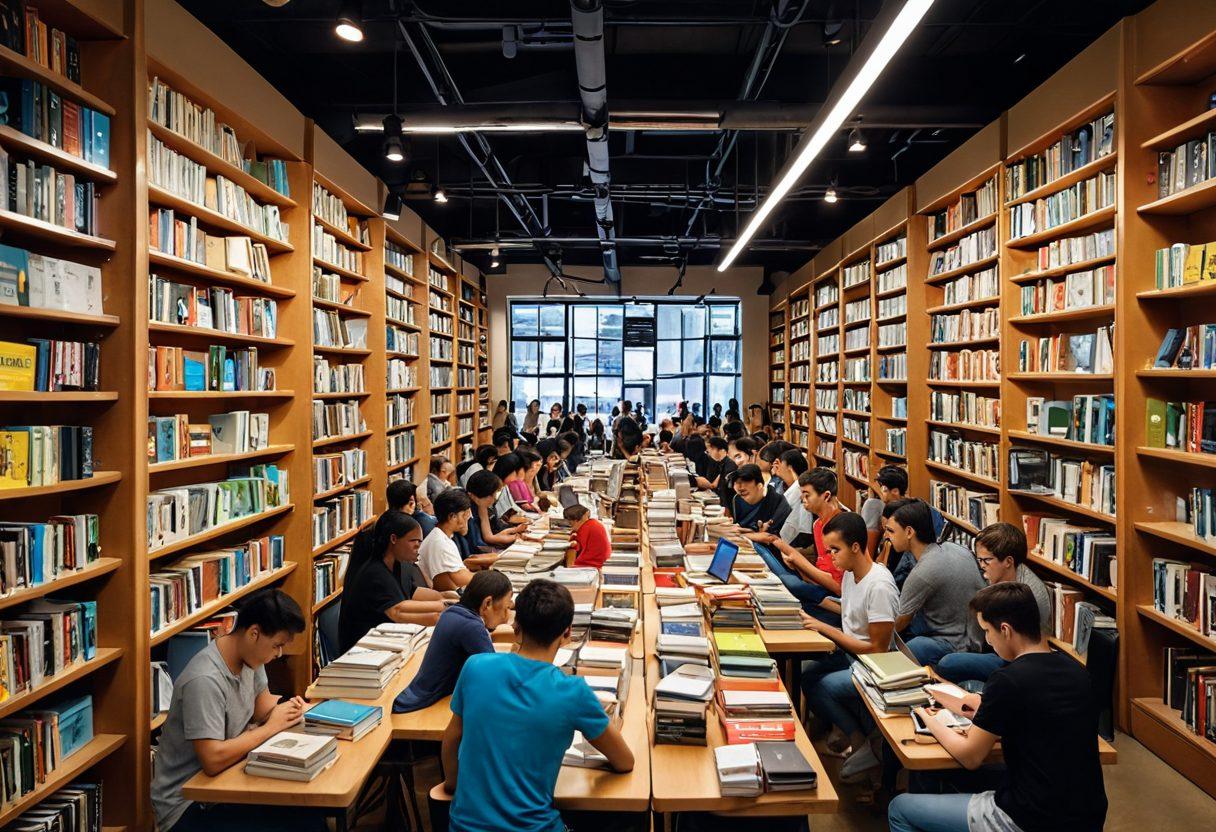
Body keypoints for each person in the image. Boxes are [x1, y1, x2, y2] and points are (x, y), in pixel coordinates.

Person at [888, 583, 1107, 832]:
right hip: (1086, 815)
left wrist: (928, 719)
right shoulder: (1077, 671)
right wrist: (974, 703)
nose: (987, 640)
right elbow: (1040, 712)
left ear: (1005, 630)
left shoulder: (1008, 679)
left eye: (986, 631)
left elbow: (971, 757)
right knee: (935, 775)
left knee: (900, 809)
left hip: (1030, 817)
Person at [441, 579, 634, 831]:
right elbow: (624, 761)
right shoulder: (573, 692)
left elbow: (452, 739)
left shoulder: (475, 667)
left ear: (515, 625)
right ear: (567, 633)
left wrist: (454, 786)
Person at [152, 589, 315, 832]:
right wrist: (272, 727)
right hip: (189, 806)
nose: (278, 654)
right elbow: (213, 759)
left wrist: (294, 709)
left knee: (308, 816)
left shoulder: (251, 657)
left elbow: (262, 709)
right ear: (254, 633)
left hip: (226, 785)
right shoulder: (204, 680)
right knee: (299, 824)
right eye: (277, 645)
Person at [798, 512, 899, 778]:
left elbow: (878, 649)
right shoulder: (849, 573)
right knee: (807, 675)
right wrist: (807, 609)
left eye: (835, 549)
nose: (831, 556)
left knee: (824, 686)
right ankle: (856, 736)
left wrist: (823, 628)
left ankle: (865, 743)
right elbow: (849, 609)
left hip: (872, 663)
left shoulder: (879, 586)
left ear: (856, 547)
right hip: (850, 653)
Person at [935, 522, 1051, 685]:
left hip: (1012, 658)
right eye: (979, 560)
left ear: (1008, 561)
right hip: (989, 643)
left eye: (986, 560)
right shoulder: (998, 574)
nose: (981, 566)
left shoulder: (1030, 595)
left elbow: (1020, 650)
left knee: (948, 664)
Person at [394, 570, 513, 713]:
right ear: (487, 603)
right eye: (506, 608)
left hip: (416, 696)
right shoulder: (471, 627)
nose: (506, 617)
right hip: (425, 706)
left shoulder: (453, 612)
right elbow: (494, 675)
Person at [886, 498, 986, 666]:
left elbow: (898, 623)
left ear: (909, 532)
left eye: (891, 531)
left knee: (903, 649)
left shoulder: (922, 572)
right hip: (977, 635)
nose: (886, 536)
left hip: (955, 644)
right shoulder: (957, 548)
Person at [339, 511, 447, 653]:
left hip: (387, 643)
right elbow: (398, 611)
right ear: (394, 539)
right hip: (365, 652)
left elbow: (412, 592)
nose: (418, 548)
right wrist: (445, 608)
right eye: (414, 543)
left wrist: (448, 597)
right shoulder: (374, 573)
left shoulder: (397, 564)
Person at [753, 467, 845, 623]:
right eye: (801, 494)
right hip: (816, 585)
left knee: (787, 581)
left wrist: (793, 556)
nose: (803, 499)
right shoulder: (817, 524)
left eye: (807, 495)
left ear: (826, 496)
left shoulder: (842, 527)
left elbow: (838, 586)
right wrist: (797, 565)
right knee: (767, 559)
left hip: (834, 594)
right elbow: (819, 567)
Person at [419, 489, 480, 591]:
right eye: (464, 515)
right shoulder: (439, 542)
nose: (467, 518)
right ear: (452, 516)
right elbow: (461, 578)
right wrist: (490, 576)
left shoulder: (442, 537)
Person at [863, 465, 907, 559]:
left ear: (895, 491)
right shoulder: (909, 507)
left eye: (883, 490)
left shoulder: (896, 516)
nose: (879, 492)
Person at [731, 464, 791, 533]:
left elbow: (771, 536)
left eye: (744, 493)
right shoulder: (737, 499)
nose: (741, 496)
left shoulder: (778, 503)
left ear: (759, 486)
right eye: (738, 492)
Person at [567, 504, 611, 569]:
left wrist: (572, 540)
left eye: (570, 523)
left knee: (570, 550)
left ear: (576, 520)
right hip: (601, 559)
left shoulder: (585, 528)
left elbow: (576, 546)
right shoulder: (592, 523)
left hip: (592, 563)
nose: (570, 525)